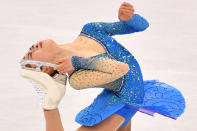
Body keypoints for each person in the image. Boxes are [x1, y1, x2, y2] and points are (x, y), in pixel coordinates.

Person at [20, 2, 186, 131]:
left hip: (126, 96)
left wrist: (129, 19)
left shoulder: (90, 30)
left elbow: (142, 26)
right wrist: (77, 62)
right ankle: (49, 107)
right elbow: (121, 68)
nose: (31, 47)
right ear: (47, 68)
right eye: (30, 54)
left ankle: (49, 107)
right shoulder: (78, 78)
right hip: (125, 100)